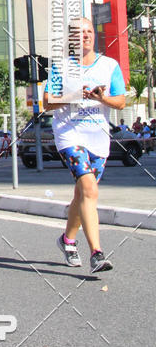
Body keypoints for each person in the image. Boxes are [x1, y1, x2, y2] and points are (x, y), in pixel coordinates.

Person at [44, 17, 126, 274]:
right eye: (79, 33)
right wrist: (74, 95)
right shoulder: (61, 68)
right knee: (89, 189)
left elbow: (121, 102)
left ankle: (67, 241)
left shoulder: (110, 65)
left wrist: (103, 97)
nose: (86, 36)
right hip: (70, 136)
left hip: (98, 140)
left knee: (82, 195)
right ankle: (97, 253)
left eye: (89, 31)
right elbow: (47, 102)